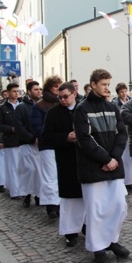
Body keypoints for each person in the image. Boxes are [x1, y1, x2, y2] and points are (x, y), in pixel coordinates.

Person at [74, 69, 129, 263]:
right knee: (96, 210)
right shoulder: (82, 109)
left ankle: (112, 240)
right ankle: (98, 248)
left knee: (118, 206)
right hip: (93, 167)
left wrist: (114, 157)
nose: (107, 88)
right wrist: (105, 159)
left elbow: (121, 133)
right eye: (104, 84)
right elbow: (84, 139)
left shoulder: (112, 107)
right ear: (93, 84)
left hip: (113, 165)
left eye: (108, 84)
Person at [42, 82, 86, 247]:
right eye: (59, 97)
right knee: (69, 198)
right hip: (65, 160)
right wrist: (65, 138)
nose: (62, 100)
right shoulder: (53, 113)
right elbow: (46, 136)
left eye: (65, 97)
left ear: (74, 94)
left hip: (84, 159)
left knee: (86, 196)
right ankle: (70, 231)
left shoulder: (83, 109)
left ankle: (87, 226)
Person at [31, 76, 62, 219]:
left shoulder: (62, 103)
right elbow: (37, 128)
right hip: (48, 145)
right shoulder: (39, 106)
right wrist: (52, 135)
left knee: (61, 175)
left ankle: (61, 203)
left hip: (62, 145)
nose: (58, 90)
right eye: (56, 87)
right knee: (50, 176)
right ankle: (52, 205)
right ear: (50, 88)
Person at [14, 81, 43, 207]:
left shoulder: (43, 105)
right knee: (28, 170)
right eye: (36, 89)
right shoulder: (21, 107)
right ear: (29, 91)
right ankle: (26, 194)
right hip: (26, 143)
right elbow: (19, 126)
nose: (39, 91)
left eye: (40, 89)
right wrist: (32, 138)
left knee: (39, 172)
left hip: (40, 145)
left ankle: (38, 195)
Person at [0, 83, 21, 197]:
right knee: (13, 167)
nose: (16, 93)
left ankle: (24, 190)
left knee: (23, 167)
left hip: (22, 140)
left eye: (17, 91)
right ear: (9, 92)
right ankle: (15, 191)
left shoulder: (22, 106)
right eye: (14, 91)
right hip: (10, 140)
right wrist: (11, 129)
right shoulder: (2, 108)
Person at [111, 82, 132, 193]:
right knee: (124, 158)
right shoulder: (115, 103)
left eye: (125, 91)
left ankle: (130, 181)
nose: (124, 93)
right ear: (118, 93)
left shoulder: (131, 101)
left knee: (130, 158)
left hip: (131, 131)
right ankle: (125, 181)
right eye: (122, 92)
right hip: (122, 131)